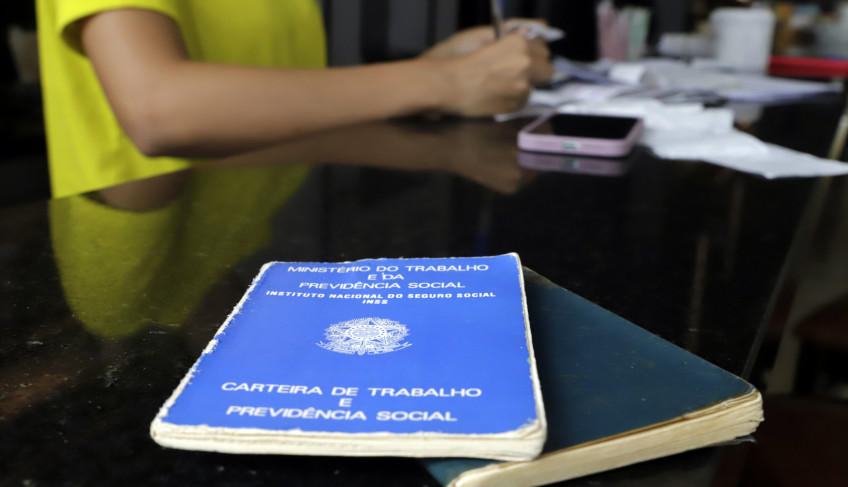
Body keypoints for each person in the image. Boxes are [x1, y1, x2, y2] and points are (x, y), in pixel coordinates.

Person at [36, 0, 554, 198]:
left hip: (227, 250)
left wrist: (434, 74)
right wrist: (444, 81)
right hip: (131, 252)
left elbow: (280, 113)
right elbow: (161, 111)